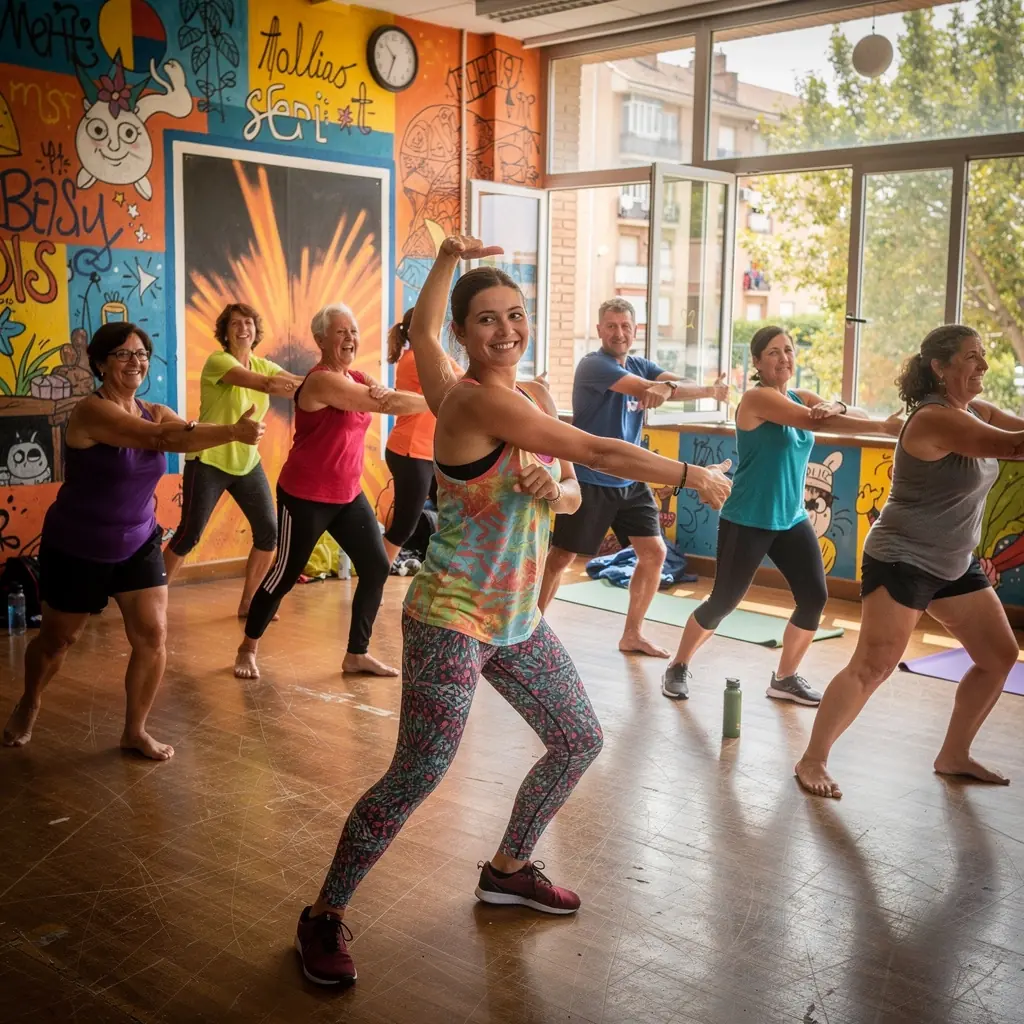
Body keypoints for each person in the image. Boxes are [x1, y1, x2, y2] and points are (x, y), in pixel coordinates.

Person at [292, 235, 732, 987]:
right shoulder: (472, 399)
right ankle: (323, 913)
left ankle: (507, 869)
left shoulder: (515, 395)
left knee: (576, 740)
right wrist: (691, 473)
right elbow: (602, 451)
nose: (507, 331)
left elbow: (566, 485)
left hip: (516, 618)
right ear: (467, 336)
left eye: (516, 315)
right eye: (487, 319)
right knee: (418, 773)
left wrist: (445, 259)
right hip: (451, 619)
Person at [1, 322, 264, 760]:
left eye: (141, 353)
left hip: (138, 541)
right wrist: (233, 433)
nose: (135, 362)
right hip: (78, 545)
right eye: (123, 354)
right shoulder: (91, 412)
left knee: (153, 635)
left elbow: (183, 434)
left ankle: (134, 730)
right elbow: (157, 439)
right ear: (101, 363)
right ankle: (30, 699)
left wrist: (225, 432)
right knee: (57, 641)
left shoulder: (156, 410)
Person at [795, 324, 1024, 798]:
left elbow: (1015, 427)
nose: (982, 366)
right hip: (902, 558)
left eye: (983, 357)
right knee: (874, 665)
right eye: (971, 357)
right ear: (939, 367)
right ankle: (812, 759)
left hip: (954, 562)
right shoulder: (934, 418)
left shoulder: (974, 410)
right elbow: (1014, 447)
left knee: (998, 656)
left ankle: (954, 754)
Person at [662, 325, 901, 704]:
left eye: (788, 350)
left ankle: (785, 677)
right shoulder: (757, 400)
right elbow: (811, 421)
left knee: (814, 597)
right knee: (723, 601)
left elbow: (838, 412)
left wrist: (837, 405)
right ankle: (678, 664)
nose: (783, 358)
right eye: (773, 352)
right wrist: (885, 427)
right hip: (748, 518)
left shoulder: (800, 396)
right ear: (756, 362)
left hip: (791, 518)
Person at [233, 303, 429, 681]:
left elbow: (388, 396)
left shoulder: (355, 375)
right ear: (321, 339)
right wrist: (441, 400)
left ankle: (357, 654)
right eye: (341, 332)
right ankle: (248, 646)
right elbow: (382, 403)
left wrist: (403, 396)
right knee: (284, 575)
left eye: (353, 331)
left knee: (375, 567)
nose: (350, 338)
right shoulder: (322, 381)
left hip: (346, 495)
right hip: (304, 495)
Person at [538, 297, 730, 658]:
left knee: (654, 553)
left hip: (630, 479)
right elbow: (644, 389)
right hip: (592, 477)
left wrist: (681, 388)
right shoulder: (594, 365)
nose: (619, 332)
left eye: (625, 326)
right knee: (562, 557)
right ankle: (529, 630)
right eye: (611, 325)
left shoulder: (641, 363)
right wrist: (662, 387)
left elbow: (676, 383)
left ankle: (632, 634)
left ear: (635, 330)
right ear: (599, 330)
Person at [163, 303, 303, 616]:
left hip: (246, 462)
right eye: (235, 324)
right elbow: (266, 385)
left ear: (256, 330)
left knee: (269, 533)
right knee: (189, 534)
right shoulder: (219, 361)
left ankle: (249, 603)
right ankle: (152, 600)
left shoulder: (264, 364)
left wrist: (329, 383)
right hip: (208, 459)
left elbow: (293, 381)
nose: (243, 328)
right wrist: (306, 385)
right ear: (225, 333)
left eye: (249, 323)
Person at [381, 306, 463, 569]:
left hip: (427, 452)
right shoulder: (418, 359)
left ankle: (444, 573)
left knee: (455, 516)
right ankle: (375, 580)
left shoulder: (429, 355)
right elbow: (458, 383)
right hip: (411, 452)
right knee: (404, 527)